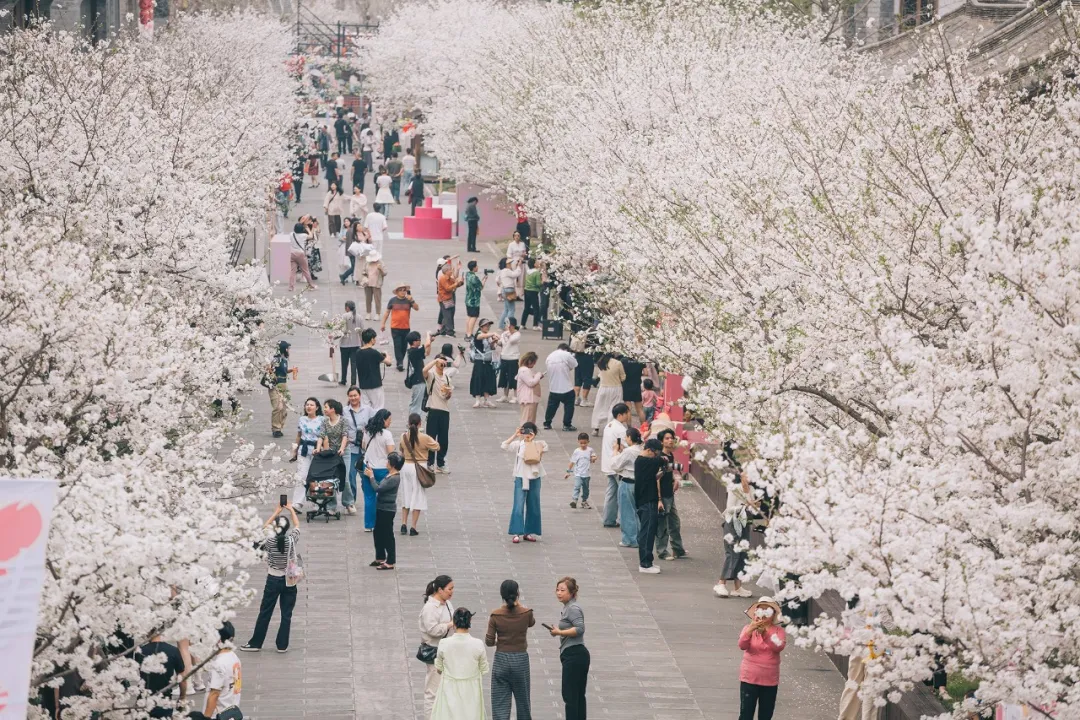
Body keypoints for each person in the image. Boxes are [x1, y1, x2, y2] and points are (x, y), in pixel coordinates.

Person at [241, 503, 300, 652]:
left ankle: (256, 643)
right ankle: (282, 645)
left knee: (265, 612)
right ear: (286, 529)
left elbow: (261, 532)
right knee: (286, 614)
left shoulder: (268, 541)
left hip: (272, 580)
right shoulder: (291, 540)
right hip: (289, 580)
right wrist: (291, 509)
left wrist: (276, 512)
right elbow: (297, 525)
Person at [485, 580, 534, 720]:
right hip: (521, 660)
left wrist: (500, 642)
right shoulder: (526, 613)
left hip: (501, 660)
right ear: (517, 593)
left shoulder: (495, 615)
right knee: (523, 703)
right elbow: (532, 622)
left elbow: (488, 641)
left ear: (502, 595)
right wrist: (520, 605)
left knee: (500, 704)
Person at [431, 608, 489, 720]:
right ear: (469, 622)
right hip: (472, 691)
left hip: (449, 689)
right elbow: (484, 669)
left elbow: (438, 668)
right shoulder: (478, 644)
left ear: (454, 623)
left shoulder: (444, 643)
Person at [715, 446, 757, 598]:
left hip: (745, 522)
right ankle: (721, 583)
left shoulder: (750, 489)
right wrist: (746, 506)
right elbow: (729, 509)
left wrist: (753, 505)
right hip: (732, 522)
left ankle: (738, 587)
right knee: (732, 553)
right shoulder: (734, 487)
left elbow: (753, 506)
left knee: (742, 554)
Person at [738, 597, 787, 720]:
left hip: (769, 680)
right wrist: (750, 630)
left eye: (767, 612)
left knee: (766, 715)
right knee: (746, 714)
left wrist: (765, 634)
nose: (763, 615)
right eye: (760, 611)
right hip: (749, 678)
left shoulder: (778, 631)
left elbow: (778, 647)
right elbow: (742, 645)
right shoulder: (747, 629)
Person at [549, 577, 589, 720]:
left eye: (562, 590)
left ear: (572, 593)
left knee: (570, 696)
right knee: (577, 696)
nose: (559, 593)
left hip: (575, 654)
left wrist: (559, 632)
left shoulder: (573, 608)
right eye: (557, 590)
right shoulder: (568, 607)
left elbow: (580, 629)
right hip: (575, 654)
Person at [502, 422, 547, 543]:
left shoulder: (539, 444)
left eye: (529, 431)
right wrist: (515, 435)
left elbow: (541, 454)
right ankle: (516, 532)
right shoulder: (518, 444)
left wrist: (530, 441)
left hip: (535, 477)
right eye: (525, 431)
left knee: (534, 505)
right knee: (518, 505)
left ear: (534, 433)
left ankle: (529, 532)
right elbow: (504, 446)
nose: (527, 434)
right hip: (520, 477)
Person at [420, 576, 456, 720]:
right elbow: (432, 630)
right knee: (432, 691)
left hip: (446, 650)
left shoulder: (447, 603)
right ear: (440, 590)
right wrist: (449, 624)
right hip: (434, 651)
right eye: (449, 589)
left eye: (453, 588)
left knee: (445, 689)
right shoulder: (430, 607)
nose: (452, 592)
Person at [399, 412, 439, 535]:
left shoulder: (403, 436)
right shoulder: (424, 438)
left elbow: (401, 450)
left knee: (406, 494)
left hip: (406, 467)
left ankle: (403, 524)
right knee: (417, 496)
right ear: (420, 423)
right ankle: (413, 527)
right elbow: (437, 447)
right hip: (419, 467)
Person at [364, 451, 402, 569]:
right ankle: (380, 556)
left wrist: (371, 477)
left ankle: (390, 561)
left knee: (387, 534)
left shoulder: (394, 478)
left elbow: (378, 488)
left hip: (387, 509)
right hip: (381, 507)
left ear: (393, 464)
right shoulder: (389, 475)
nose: (386, 463)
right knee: (378, 532)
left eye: (388, 461)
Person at [134, 634, 186, 717]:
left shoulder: (140, 651)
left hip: (144, 700)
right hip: (164, 701)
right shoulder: (173, 650)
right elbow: (182, 678)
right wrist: (182, 697)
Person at [655, 429, 687, 560]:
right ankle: (662, 551)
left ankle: (678, 549)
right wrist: (659, 499)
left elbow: (669, 472)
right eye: (667, 438)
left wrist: (674, 480)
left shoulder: (670, 456)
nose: (670, 440)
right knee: (662, 525)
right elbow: (656, 478)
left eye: (671, 438)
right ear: (661, 441)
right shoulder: (659, 457)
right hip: (662, 496)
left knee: (674, 522)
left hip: (670, 494)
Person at [634, 438, 665, 574]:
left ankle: (648, 561)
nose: (656, 456)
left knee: (649, 531)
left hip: (647, 500)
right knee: (647, 533)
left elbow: (653, 475)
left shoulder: (644, 462)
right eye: (655, 453)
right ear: (649, 450)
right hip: (647, 501)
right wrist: (663, 460)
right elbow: (661, 461)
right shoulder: (642, 461)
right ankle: (645, 564)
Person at [361, 409, 395, 531]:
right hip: (382, 469)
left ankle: (369, 525)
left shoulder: (367, 431)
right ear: (383, 420)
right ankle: (381, 523)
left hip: (368, 467)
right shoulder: (387, 434)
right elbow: (391, 453)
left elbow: (363, 446)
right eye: (389, 420)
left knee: (369, 497)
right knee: (383, 497)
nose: (390, 422)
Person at [289, 397, 325, 508]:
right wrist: (294, 450)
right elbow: (299, 435)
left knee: (317, 476)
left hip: (317, 449)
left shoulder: (322, 420)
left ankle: (317, 502)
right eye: (307, 404)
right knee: (302, 475)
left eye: (311, 405)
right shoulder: (302, 419)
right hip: (303, 449)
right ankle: (297, 503)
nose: (309, 407)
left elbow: (324, 436)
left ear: (317, 407)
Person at [611, 427, 643, 548]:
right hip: (638, 483)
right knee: (636, 512)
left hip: (627, 482)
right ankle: (638, 537)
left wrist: (615, 451)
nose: (625, 439)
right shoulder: (640, 449)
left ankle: (629, 539)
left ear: (630, 437)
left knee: (627, 512)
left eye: (626, 437)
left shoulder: (629, 451)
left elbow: (615, 465)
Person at [342, 387, 371, 517]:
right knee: (350, 475)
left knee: (366, 474)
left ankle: (370, 498)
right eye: (351, 396)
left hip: (365, 448)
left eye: (355, 395)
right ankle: (351, 501)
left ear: (360, 396)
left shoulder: (368, 410)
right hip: (351, 447)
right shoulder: (344, 411)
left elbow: (375, 423)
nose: (353, 398)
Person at [600, 403, 630, 527]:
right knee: (623, 495)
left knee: (611, 493)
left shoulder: (609, 425)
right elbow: (628, 446)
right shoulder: (620, 429)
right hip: (617, 466)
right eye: (627, 413)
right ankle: (624, 521)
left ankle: (608, 519)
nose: (629, 415)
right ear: (620, 415)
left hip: (608, 464)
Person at [424, 352, 454, 473]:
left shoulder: (447, 377)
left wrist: (448, 393)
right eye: (441, 362)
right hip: (433, 409)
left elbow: (447, 397)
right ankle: (430, 462)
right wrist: (435, 361)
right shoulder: (431, 375)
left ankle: (440, 463)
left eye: (444, 361)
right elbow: (424, 370)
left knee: (443, 439)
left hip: (445, 411)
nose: (443, 364)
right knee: (431, 437)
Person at [204, 622, 242, 719]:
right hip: (231, 711)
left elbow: (214, 694)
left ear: (218, 640)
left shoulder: (219, 664)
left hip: (218, 714)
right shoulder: (234, 657)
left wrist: (206, 717)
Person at [382, 284, 419, 371]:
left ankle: (400, 360)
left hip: (406, 327)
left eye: (404, 290)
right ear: (397, 292)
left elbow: (417, 308)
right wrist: (383, 323)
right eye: (401, 290)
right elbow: (387, 312)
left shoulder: (408, 300)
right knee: (397, 345)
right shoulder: (392, 300)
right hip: (395, 327)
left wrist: (412, 300)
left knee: (404, 346)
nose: (403, 292)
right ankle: (400, 362)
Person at [542, 343, 578, 431]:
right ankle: (567, 424)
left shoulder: (549, 356)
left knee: (551, 406)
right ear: (566, 349)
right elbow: (575, 364)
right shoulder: (567, 354)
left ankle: (547, 423)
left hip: (553, 387)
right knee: (569, 406)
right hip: (566, 387)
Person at [355, 328, 393, 411]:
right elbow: (388, 362)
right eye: (375, 338)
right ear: (372, 339)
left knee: (365, 409)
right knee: (378, 408)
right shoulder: (374, 353)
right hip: (375, 385)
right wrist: (386, 354)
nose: (375, 340)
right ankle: (377, 423)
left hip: (363, 385)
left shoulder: (358, 352)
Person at [266, 340, 296, 438]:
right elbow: (268, 368)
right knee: (277, 407)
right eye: (288, 348)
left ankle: (280, 426)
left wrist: (292, 370)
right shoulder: (276, 359)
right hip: (275, 386)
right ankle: (276, 429)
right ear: (284, 349)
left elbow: (284, 372)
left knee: (284, 409)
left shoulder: (284, 360)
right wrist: (272, 375)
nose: (289, 350)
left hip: (283, 385)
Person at [591, 354, 627, 434]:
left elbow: (599, 375)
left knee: (600, 407)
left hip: (603, 387)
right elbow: (623, 377)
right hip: (616, 388)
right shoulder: (618, 363)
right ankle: (610, 427)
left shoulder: (600, 362)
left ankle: (596, 427)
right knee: (613, 408)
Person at [469, 320, 499, 408]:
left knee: (488, 380)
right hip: (479, 361)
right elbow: (480, 337)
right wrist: (493, 334)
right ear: (481, 327)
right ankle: (477, 400)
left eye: (488, 326)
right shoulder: (479, 334)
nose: (488, 327)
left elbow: (492, 347)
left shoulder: (488, 336)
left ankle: (487, 400)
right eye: (486, 326)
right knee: (478, 379)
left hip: (488, 361)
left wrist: (494, 342)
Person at [565, 432, 597, 509]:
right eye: (581, 443)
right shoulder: (576, 451)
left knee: (586, 489)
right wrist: (568, 472)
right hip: (578, 473)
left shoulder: (590, 450)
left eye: (585, 443)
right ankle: (574, 500)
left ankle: (584, 501)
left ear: (588, 442)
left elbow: (594, 458)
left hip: (587, 474)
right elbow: (572, 462)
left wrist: (593, 458)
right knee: (577, 486)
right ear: (578, 442)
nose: (583, 445)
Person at [405, 331, 433, 417]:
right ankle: (413, 423)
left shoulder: (415, 351)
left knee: (418, 402)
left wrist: (430, 341)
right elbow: (426, 344)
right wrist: (428, 334)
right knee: (416, 403)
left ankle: (415, 423)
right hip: (417, 380)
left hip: (419, 380)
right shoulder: (413, 351)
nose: (420, 341)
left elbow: (427, 352)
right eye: (419, 339)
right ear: (414, 341)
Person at [437, 261, 465, 337]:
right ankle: (449, 332)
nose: (452, 271)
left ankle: (443, 330)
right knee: (448, 315)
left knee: (450, 313)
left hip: (449, 298)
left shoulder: (449, 278)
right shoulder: (442, 278)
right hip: (444, 299)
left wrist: (460, 282)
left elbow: (455, 284)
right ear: (446, 271)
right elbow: (448, 288)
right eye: (450, 270)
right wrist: (456, 283)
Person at [496, 318, 521, 403]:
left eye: (508, 324)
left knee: (513, 378)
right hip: (504, 357)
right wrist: (496, 340)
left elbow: (511, 341)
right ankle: (505, 395)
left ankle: (515, 396)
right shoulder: (504, 333)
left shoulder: (517, 334)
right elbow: (500, 343)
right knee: (504, 377)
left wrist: (507, 334)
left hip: (513, 358)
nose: (507, 326)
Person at [515, 352, 544, 424]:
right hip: (528, 399)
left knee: (530, 420)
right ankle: (525, 434)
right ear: (530, 361)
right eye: (534, 363)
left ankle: (527, 434)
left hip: (530, 398)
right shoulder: (524, 370)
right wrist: (538, 375)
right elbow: (531, 383)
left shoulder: (524, 370)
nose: (534, 365)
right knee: (527, 420)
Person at [338, 301, 362, 386]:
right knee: (354, 364)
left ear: (347, 307)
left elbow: (343, 330)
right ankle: (353, 382)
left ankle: (343, 380)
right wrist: (362, 343)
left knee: (344, 364)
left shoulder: (344, 316)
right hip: (356, 344)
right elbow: (361, 331)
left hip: (345, 344)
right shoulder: (359, 317)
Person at [287, 225, 317, 292]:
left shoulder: (291, 234)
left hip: (292, 254)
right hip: (300, 254)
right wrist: (308, 229)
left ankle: (291, 287)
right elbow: (311, 236)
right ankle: (311, 285)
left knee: (292, 271)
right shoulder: (303, 235)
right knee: (305, 270)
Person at [496, 258, 522, 330]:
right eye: (509, 263)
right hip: (509, 290)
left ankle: (501, 326)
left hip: (504, 290)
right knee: (511, 309)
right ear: (506, 264)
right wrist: (519, 266)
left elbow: (497, 280)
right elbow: (516, 274)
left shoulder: (501, 271)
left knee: (506, 309)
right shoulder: (506, 271)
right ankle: (509, 326)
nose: (510, 265)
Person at [620, 357, 647, 426]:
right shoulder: (641, 360)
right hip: (636, 385)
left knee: (628, 409)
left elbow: (620, 372)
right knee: (640, 409)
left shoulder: (623, 360)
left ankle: (629, 427)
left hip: (626, 385)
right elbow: (646, 373)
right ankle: (643, 427)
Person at [463, 260, 486, 338]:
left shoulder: (468, 274)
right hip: (474, 300)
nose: (477, 267)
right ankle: (470, 334)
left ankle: (467, 332)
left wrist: (481, 280)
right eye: (476, 266)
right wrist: (485, 280)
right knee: (474, 317)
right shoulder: (474, 277)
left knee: (469, 316)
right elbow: (480, 287)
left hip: (468, 299)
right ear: (474, 268)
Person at [363, 251, 387, 321]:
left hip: (377, 284)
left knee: (377, 300)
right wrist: (365, 278)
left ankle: (377, 313)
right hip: (368, 284)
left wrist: (381, 269)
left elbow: (385, 273)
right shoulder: (367, 263)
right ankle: (368, 313)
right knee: (368, 299)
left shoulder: (381, 263)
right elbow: (363, 271)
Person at [520, 259, 543, 330]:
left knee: (526, 308)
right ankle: (535, 325)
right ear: (534, 264)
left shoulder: (528, 272)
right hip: (533, 291)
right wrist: (542, 282)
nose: (537, 263)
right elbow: (538, 283)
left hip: (527, 290)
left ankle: (522, 324)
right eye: (536, 262)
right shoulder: (536, 273)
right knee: (536, 309)